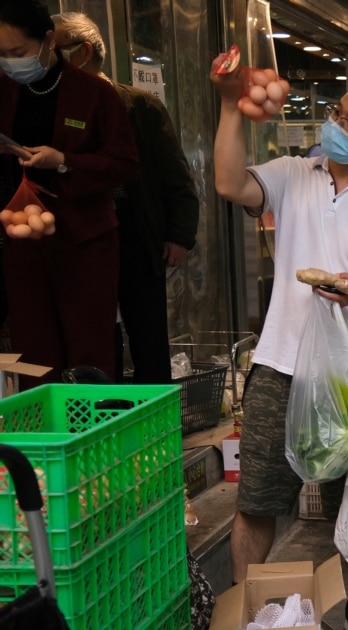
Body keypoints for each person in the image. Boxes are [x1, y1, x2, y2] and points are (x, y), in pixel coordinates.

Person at [211, 67, 348, 628]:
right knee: (257, 498)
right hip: (281, 363)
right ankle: (247, 620)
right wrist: (230, 106)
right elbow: (230, 183)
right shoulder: (293, 174)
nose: (335, 126)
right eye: (337, 114)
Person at [53, 12, 199, 384]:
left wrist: (180, 236)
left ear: (83, 52)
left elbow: (176, 176)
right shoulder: (54, 107)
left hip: (136, 231)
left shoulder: (137, 105)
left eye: (53, 50)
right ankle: (107, 413)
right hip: (81, 236)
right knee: (96, 334)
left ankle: (156, 424)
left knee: (148, 334)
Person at [0, 0, 138, 387]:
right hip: (20, 236)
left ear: (48, 41)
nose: (11, 62)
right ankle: (46, 435)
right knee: (33, 343)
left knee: (88, 344)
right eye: (3, 55)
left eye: (18, 52)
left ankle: (93, 431)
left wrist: (64, 160)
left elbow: (124, 164)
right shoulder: (5, 90)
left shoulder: (94, 94)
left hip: (85, 240)